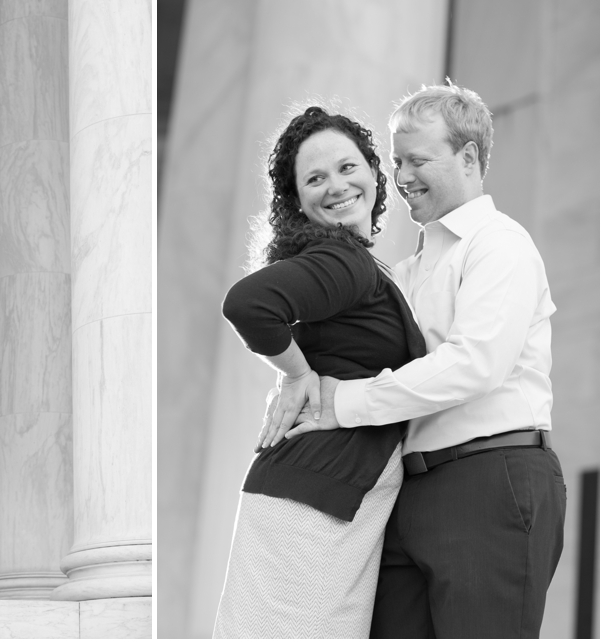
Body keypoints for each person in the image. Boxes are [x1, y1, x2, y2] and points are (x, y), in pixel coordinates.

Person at [274, 84, 566, 638]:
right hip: (407, 494)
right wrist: (297, 377)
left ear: (470, 157)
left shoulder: (500, 244)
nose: (401, 176)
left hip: (490, 480)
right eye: (395, 160)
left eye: (417, 160)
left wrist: (343, 401)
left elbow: (473, 364)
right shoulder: (407, 273)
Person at [213, 106, 426, 638]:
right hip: (314, 503)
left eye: (347, 167)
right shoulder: (346, 261)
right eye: (315, 178)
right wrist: (297, 374)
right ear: (298, 201)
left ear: (374, 176)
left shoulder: (353, 261)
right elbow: (248, 303)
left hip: (316, 494)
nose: (336, 186)